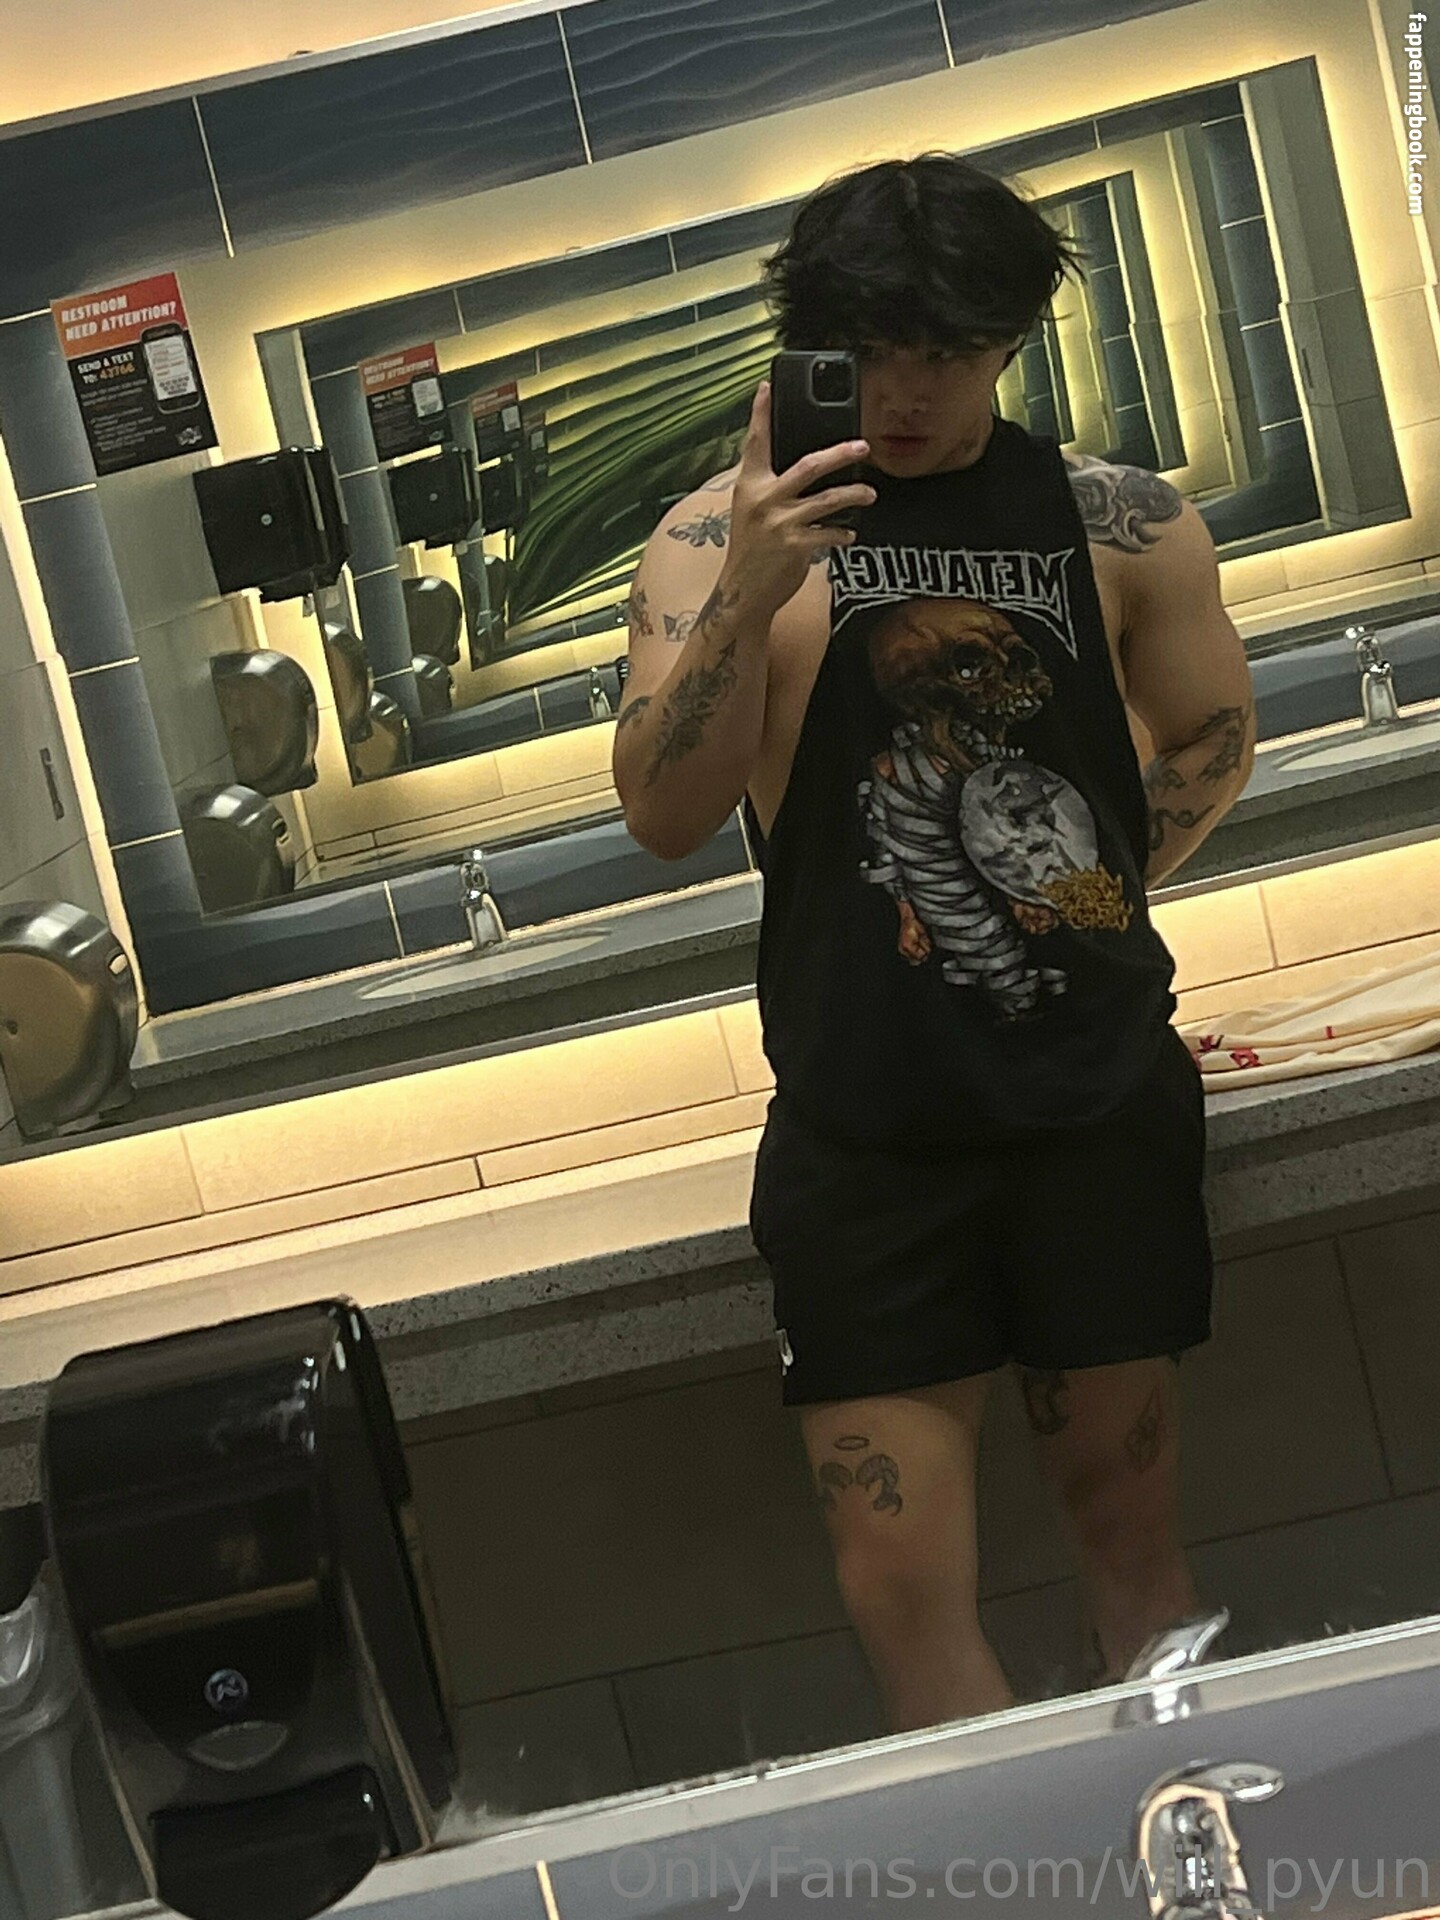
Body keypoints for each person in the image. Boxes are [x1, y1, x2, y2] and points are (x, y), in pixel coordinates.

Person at [612, 152, 1255, 1734]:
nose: (906, 394)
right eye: (873, 352)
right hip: (867, 1136)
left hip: (1092, 1109)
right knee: (899, 1592)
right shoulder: (711, 542)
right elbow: (664, 812)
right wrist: (752, 588)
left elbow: (1214, 732)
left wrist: (1081, 900)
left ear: (1014, 339)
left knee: (1131, 1542)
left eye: (949, 353)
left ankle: (1191, 1852)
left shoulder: (1122, 523)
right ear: (815, 346)